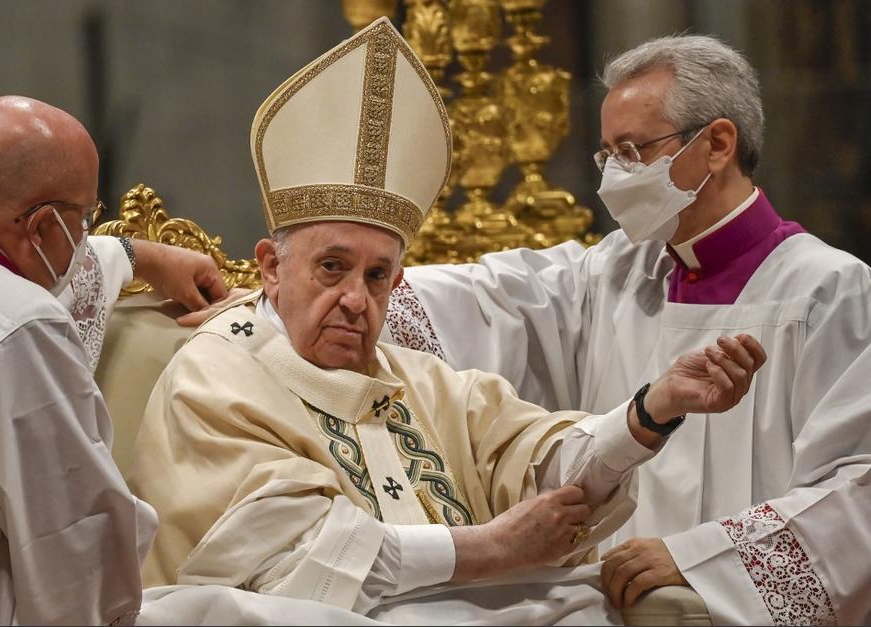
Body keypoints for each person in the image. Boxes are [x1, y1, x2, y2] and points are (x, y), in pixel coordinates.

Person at [129, 20, 764, 625]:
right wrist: (490, 548)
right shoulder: (215, 376)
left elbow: (537, 458)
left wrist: (649, 412)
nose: (356, 299)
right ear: (269, 267)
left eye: (378, 277)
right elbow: (285, 563)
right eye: (331, 268)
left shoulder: (418, 379)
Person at [389, 34, 871, 625]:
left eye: (632, 150)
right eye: (606, 155)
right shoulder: (618, 268)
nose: (614, 177)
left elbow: (858, 490)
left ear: (717, 143)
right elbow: (494, 297)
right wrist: (310, 288)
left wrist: (699, 559)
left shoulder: (833, 291)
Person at [0, 94, 224, 624]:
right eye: (84, 217)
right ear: (43, 225)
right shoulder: (19, 329)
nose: (87, 239)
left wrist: (143, 255)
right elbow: (71, 540)